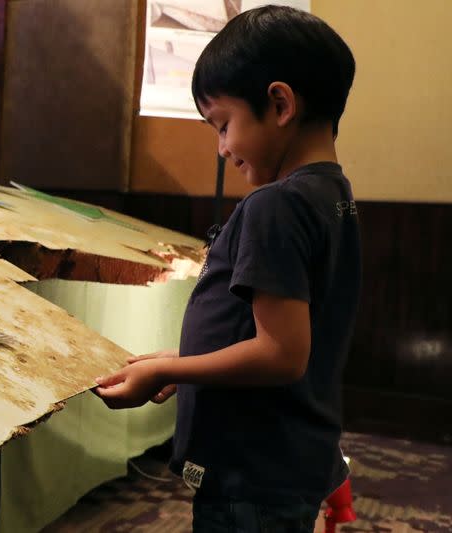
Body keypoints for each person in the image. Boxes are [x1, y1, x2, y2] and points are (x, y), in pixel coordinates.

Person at [94, 5, 359, 532]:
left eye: (223, 124)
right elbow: (280, 331)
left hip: (252, 470)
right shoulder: (334, 195)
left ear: (280, 103)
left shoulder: (275, 205)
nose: (221, 149)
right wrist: (185, 358)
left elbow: (281, 354)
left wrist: (168, 369)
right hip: (286, 461)